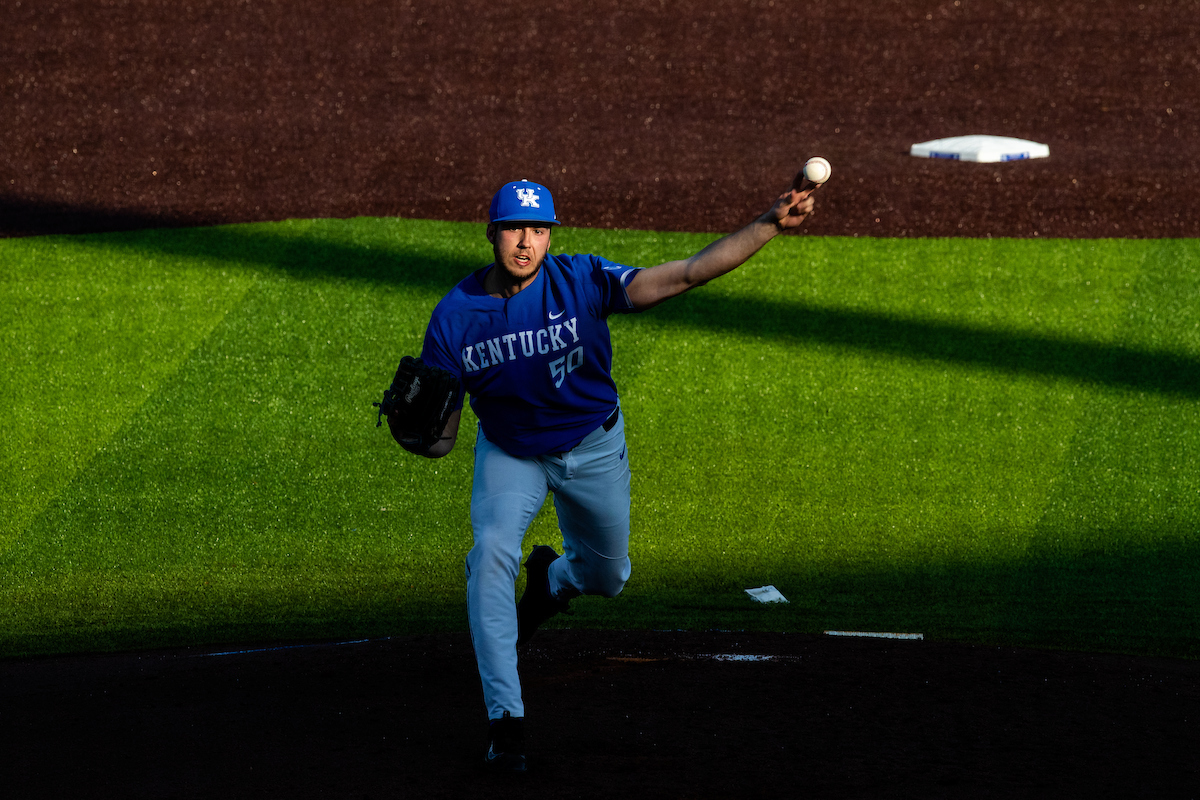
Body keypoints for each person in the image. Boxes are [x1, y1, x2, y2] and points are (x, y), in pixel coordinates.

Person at [395, 176, 817, 773]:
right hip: (511, 453)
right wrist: (414, 438)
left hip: (593, 446)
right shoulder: (454, 317)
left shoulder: (582, 280)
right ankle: (505, 723)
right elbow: (442, 441)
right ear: (491, 234)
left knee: (608, 576)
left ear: (550, 236)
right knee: (489, 554)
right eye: (514, 229)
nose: (526, 242)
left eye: (539, 230)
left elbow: (687, 274)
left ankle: (553, 584)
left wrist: (768, 224)